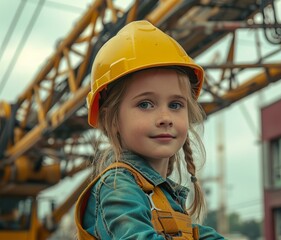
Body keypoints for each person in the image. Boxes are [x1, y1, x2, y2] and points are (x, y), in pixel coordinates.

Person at [75, 20, 225, 239]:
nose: (165, 118)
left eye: (175, 105)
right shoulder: (118, 188)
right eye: (145, 104)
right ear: (112, 118)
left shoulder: (162, 196)